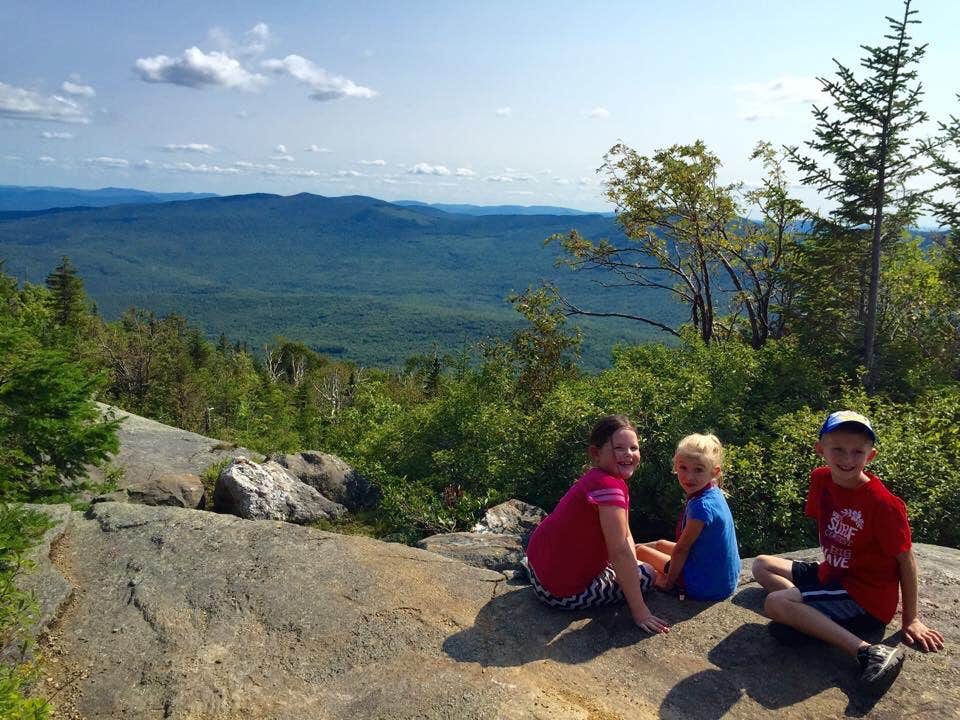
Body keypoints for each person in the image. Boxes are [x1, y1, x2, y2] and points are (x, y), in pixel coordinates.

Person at [752, 410, 944, 687]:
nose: (847, 459)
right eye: (838, 449)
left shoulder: (884, 504)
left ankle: (869, 651)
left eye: (857, 452)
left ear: (871, 456)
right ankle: (811, 619)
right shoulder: (821, 479)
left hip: (865, 597)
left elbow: (907, 560)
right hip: (835, 575)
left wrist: (911, 619)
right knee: (761, 565)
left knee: (776, 603)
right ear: (821, 450)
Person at [523, 415, 670, 634]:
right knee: (648, 574)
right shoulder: (610, 488)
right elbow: (620, 551)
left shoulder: (596, 479)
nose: (628, 454)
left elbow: (625, 535)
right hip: (559, 591)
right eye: (619, 448)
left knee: (634, 565)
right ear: (596, 453)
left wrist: (629, 566)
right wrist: (641, 612)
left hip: (537, 568)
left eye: (633, 447)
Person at [635, 433, 740, 601]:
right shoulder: (714, 491)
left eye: (698, 470)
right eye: (683, 468)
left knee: (641, 551)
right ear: (676, 465)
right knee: (660, 543)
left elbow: (682, 550)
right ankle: (621, 554)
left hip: (706, 586)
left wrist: (668, 583)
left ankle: (616, 561)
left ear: (714, 472)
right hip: (724, 579)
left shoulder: (701, 507)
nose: (689, 477)